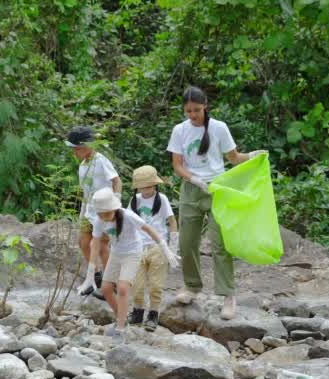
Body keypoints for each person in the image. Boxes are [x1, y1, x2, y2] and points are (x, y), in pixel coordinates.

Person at [167, 86, 265, 320]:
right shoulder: (180, 130)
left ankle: (228, 295)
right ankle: (192, 286)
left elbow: (233, 158)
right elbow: (177, 165)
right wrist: (194, 179)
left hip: (218, 188)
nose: (193, 115)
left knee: (220, 244)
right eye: (188, 111)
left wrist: (252, 157)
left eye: (197, 110)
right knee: (187, 241)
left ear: (205, 106)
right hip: (192, 189)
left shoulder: (219, 128)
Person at [90, 187, 170, 341]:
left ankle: (120, 328)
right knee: (106, 289)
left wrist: (164, 246)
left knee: (122, 287)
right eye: (101, 214)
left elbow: (147, 228)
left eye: (107, 213)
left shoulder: (127, 215)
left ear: (114, 208)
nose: (104, 217)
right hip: (116, 253)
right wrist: (91, 269)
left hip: (133, 253)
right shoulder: (99, 220)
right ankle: (122, 317)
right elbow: (96, 243)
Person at [65, 126, 121, 297]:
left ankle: (112, 282)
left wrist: (115, 203)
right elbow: (86, 191)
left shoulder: (101, 160)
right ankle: (94, 277)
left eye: (77, 148)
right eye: (73, 149)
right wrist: (82, 212)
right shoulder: (83, 165)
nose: (75, 152)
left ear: (87, 146)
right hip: (88, 210)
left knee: (102, 245)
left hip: (104, 211)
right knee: (83, 242)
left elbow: (117, 181)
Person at [127, 165, 179, 329]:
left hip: (158, 246)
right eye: (143, 186)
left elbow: (172, 221)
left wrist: (173, 247)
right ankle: (137, 313)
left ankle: (153, 314)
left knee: (156, 285)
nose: (147, 189)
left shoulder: (161, 199)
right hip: (137, 247)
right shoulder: (135, 200)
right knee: (137, 284)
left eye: (150, 186)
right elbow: (127, 221)